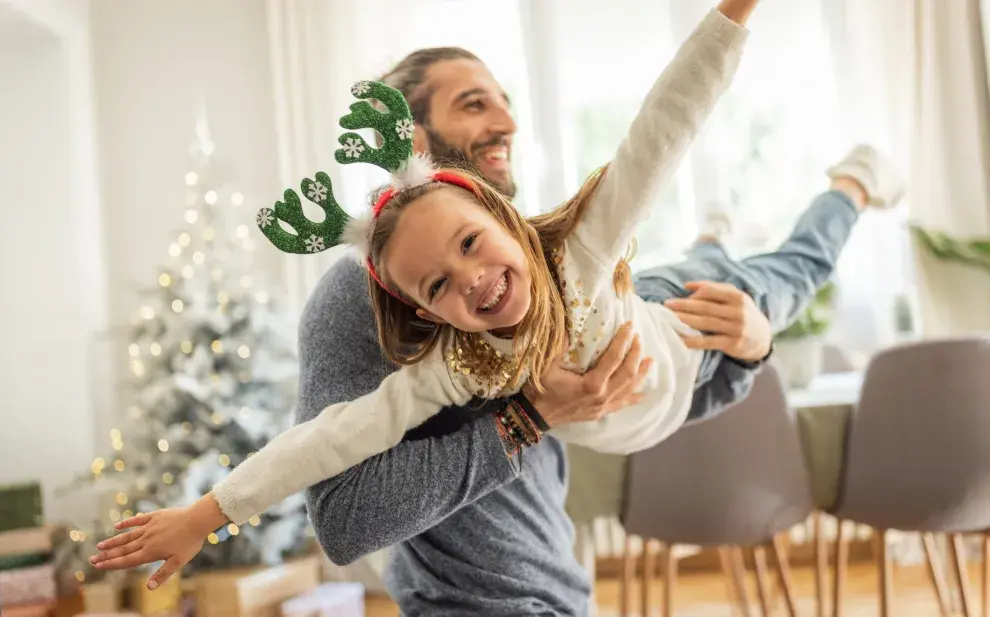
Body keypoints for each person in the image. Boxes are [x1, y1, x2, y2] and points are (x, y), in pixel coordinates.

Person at [90, 3, 903, 615]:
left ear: (499, 224)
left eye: (473, 246)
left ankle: (842, 190)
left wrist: (752, 351)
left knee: (782, 274)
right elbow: (333, 470)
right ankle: (781, 213)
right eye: (474, 104)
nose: (507, 121)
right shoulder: (419, 334)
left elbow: (666, 128)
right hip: (515, 587)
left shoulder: (560, 254)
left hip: (663, 335)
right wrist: (207, 511)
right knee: (743, 269)